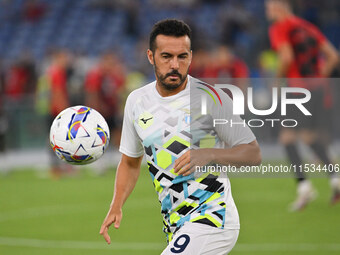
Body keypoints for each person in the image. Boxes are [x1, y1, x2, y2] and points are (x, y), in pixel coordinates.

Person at [99, 19, 261, 254]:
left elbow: (253, 153)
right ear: (150, 56)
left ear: (191, 57)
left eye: (182, 57)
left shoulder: (211, 98)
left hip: (213, 218)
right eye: (166, 56)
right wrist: (116, 204)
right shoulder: (137, 101)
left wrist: (209, 154)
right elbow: (130, 162)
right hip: (176, 225)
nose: (175, 65)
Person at [265, 0, 340, 210]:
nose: (267, 12)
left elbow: (287, 57)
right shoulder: (309, 27)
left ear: (279, 8)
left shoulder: (280, 27)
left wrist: (277, 81)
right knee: (309, 137)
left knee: (287, 137)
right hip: (317, 90)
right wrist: (319, 78)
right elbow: (333, 56)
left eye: (269, 7)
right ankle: (335, 179)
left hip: (297, 90)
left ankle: (304, 186)